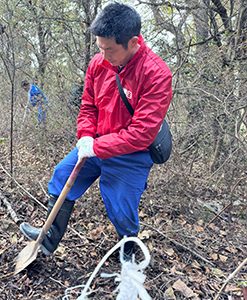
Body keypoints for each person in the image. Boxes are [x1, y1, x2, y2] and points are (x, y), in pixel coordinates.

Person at [20, 2, 172, 260]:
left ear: (133, 42)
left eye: (110, 50)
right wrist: (86, 136)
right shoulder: (98, 64)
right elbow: (88, 105)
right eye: (100, 48)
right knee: (62, 175)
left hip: (132, 152)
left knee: (120, 204)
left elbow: (142, 133)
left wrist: (98, 147)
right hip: (96, 142)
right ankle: (47, 239)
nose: (103, 56)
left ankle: (127, 252)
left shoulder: (156, 74)